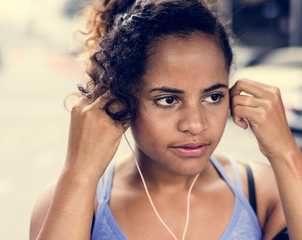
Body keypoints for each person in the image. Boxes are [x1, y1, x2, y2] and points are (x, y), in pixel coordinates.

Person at [30, 0, 302, 239]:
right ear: (120, 100)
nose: (195, 124)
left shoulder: (263, 191)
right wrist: (80, 173)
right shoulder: (73, 201)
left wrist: (286, 153)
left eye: (213, 97)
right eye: (168, 100)